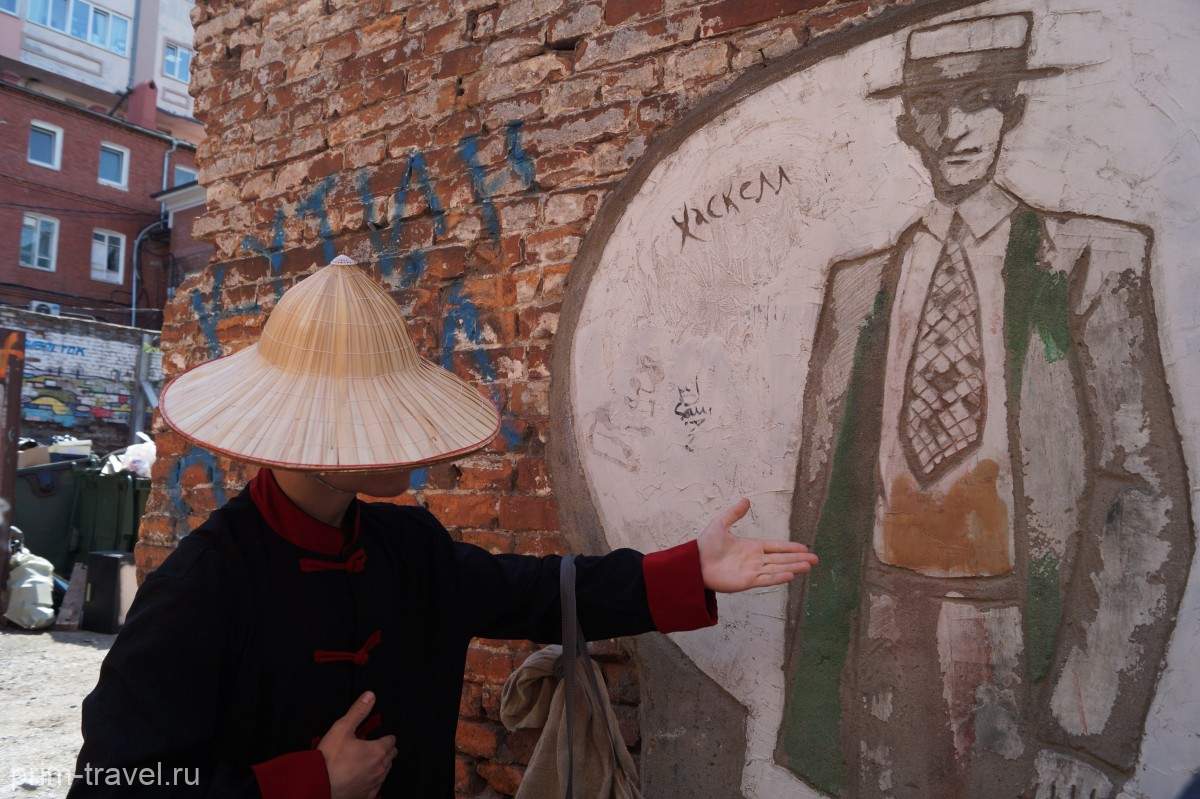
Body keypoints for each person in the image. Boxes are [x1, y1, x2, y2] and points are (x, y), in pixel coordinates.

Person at [67, 255, 818, 798]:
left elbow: (537, 592)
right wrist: (306, 782)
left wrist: (689, 570)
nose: (409, 444)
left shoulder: (408, 549)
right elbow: (112, 779)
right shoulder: (202, 586)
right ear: (318, 440)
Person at [776, 12, 1192, 799]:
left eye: (981, 100)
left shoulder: (1092, 261)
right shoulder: (858, 287)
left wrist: (1087, 728)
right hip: (883, 619)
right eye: (933, 107)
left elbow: (1141, 495)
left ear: (1013, 111)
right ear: (908, 126)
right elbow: (819, 491)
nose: (955, 129)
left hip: (1017, 625)